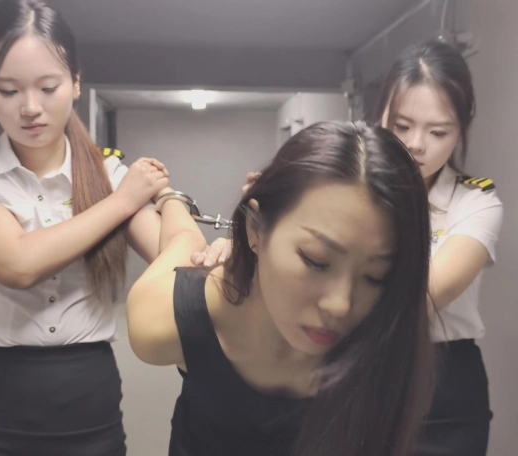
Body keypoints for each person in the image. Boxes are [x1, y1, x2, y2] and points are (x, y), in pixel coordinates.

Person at [0, 1, 226, 454]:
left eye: (48, 87)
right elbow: (18, 263)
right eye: (8, 90)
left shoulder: (108, 172)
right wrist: (124, 200)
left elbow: (181, 261)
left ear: (75, 83)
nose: (30, 108)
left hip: (87, 401)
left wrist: (168, 197)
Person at [126, 121, 436, 456]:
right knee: (186, 241)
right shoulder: (164, 318)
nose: (340, 305)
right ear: (255, 230)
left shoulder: (391, 333)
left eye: (376, 275)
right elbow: (180, 240)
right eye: (316, 261)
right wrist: (167, 197)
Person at [371, 40, 504, 455]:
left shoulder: (476, 203)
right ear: (381, 116)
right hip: (354, 366)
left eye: (438, 132)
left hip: (444, 384)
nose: (416, 144)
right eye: (402, 126)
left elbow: (427, 294)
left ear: (462, 128)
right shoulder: (343, 188)